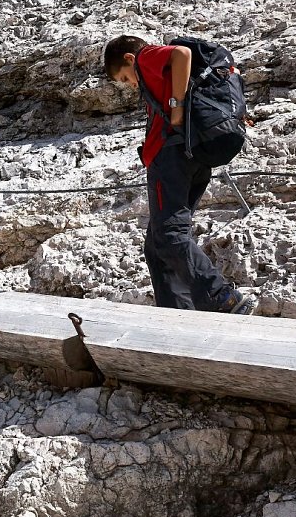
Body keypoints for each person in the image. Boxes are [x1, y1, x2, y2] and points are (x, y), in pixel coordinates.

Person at [103, 35, 253, 314]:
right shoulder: (158, 73)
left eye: (124, 78)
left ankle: (222, 296)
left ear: (128, 59)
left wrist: (177, 106)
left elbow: (181, 53)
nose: (130, 85)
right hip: (193, 156)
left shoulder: (145, 57)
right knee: (157, 244)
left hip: (171, 159)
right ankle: (176, 312)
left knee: (170, 235)